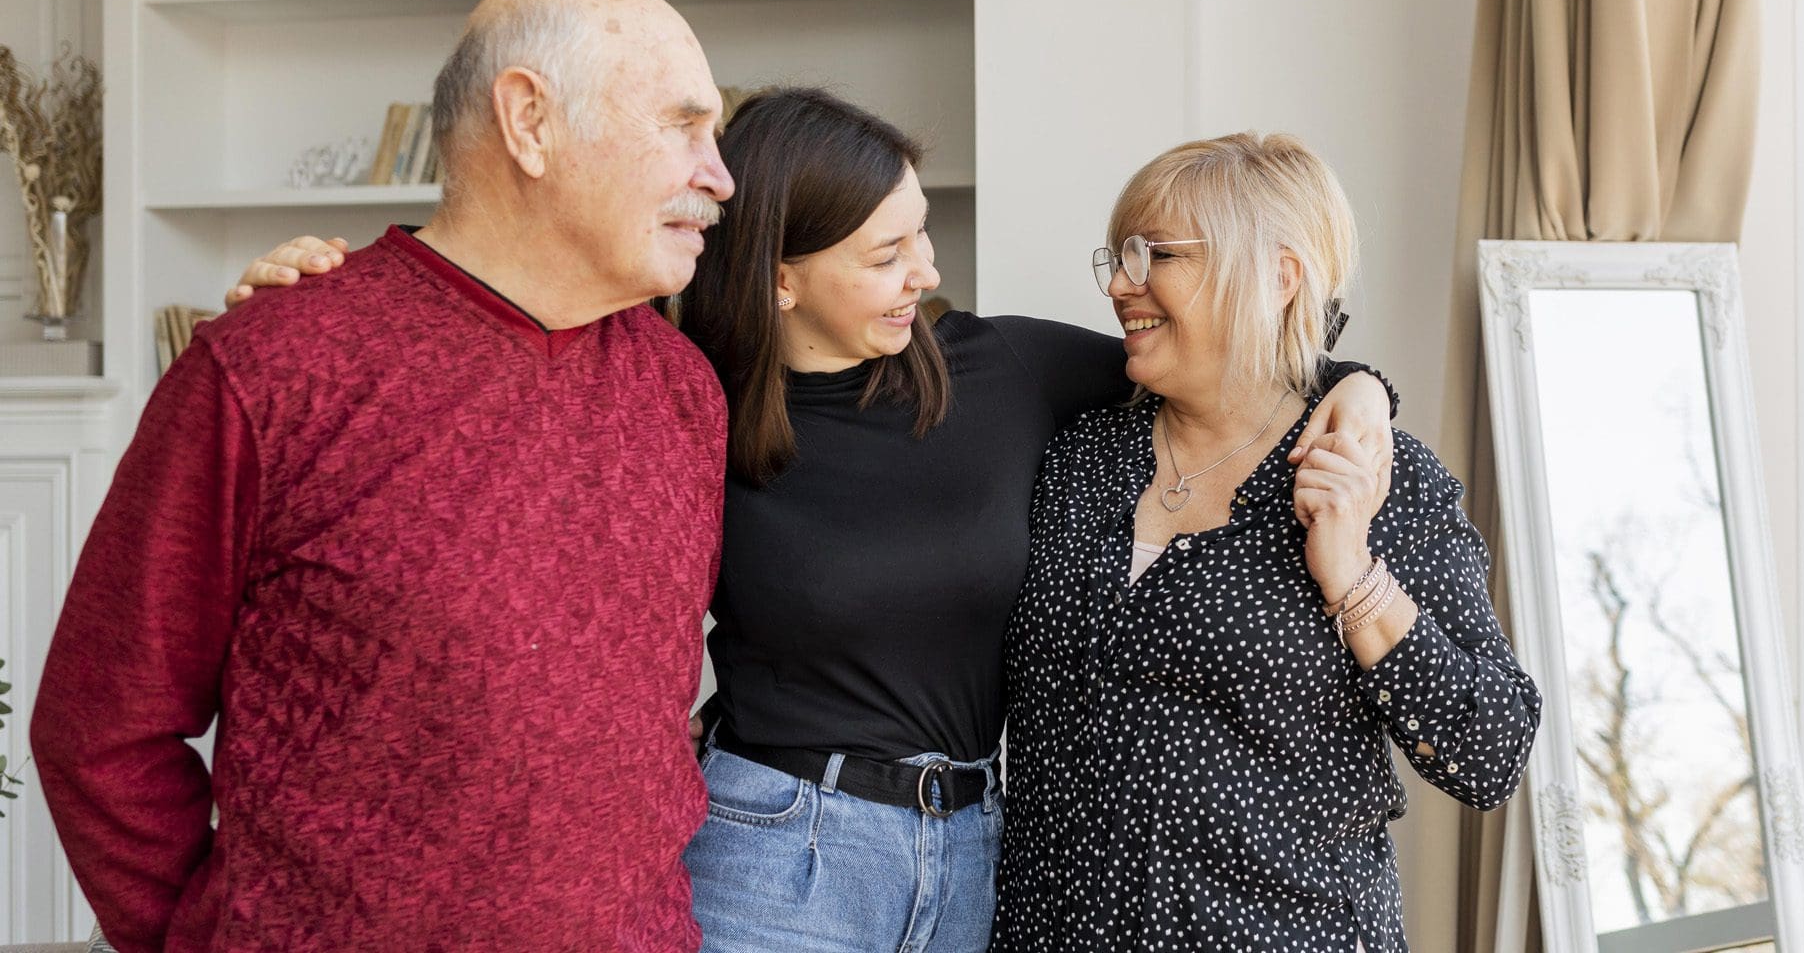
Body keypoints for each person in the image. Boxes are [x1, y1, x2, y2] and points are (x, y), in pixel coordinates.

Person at [224, 91, 1399, 952]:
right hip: (775, 858)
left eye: (923, 236)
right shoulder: (674, 399)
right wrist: (310, 309)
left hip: (978, 858)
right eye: (887, 254)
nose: (926, 276)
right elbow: (473, 384)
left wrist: (1365, 394)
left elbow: (1240, 368)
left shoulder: (1005, 371)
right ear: (779, 275)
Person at [31, 0, 735, 951]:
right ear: (528, 120)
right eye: (683, 126)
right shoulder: (272, 366)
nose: (719, 175)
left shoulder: (684, 391)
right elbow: (102, 725)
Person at [993, 132, 1542, 952]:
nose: (1119, 284)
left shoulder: (1376, 477)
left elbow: (1489, 752)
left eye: (1155, 256)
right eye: (1118, 254)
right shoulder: (1078, 458)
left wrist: (1352, 575)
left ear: (1278, 276)